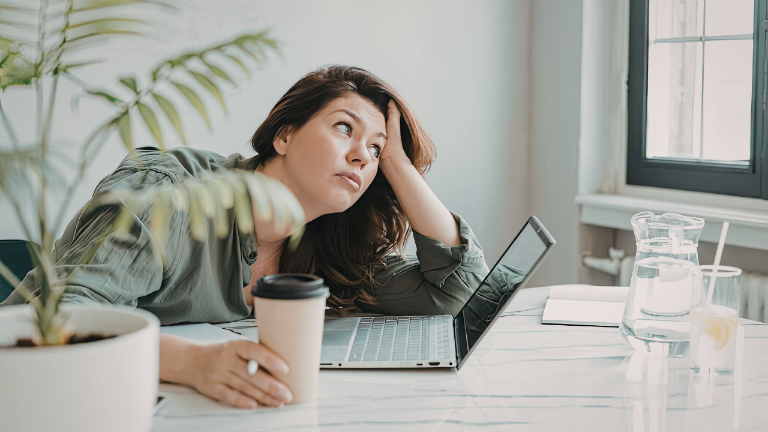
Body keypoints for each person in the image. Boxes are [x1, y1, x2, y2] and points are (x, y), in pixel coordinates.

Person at [2, 65, 489, 409]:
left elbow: (454, 295)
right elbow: (63, 321)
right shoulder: (169, 196)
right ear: (284, 136)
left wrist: (400, 166)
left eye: (376, 150)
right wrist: (194, 364)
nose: (363, 157)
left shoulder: (333, 248)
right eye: (345, 128)